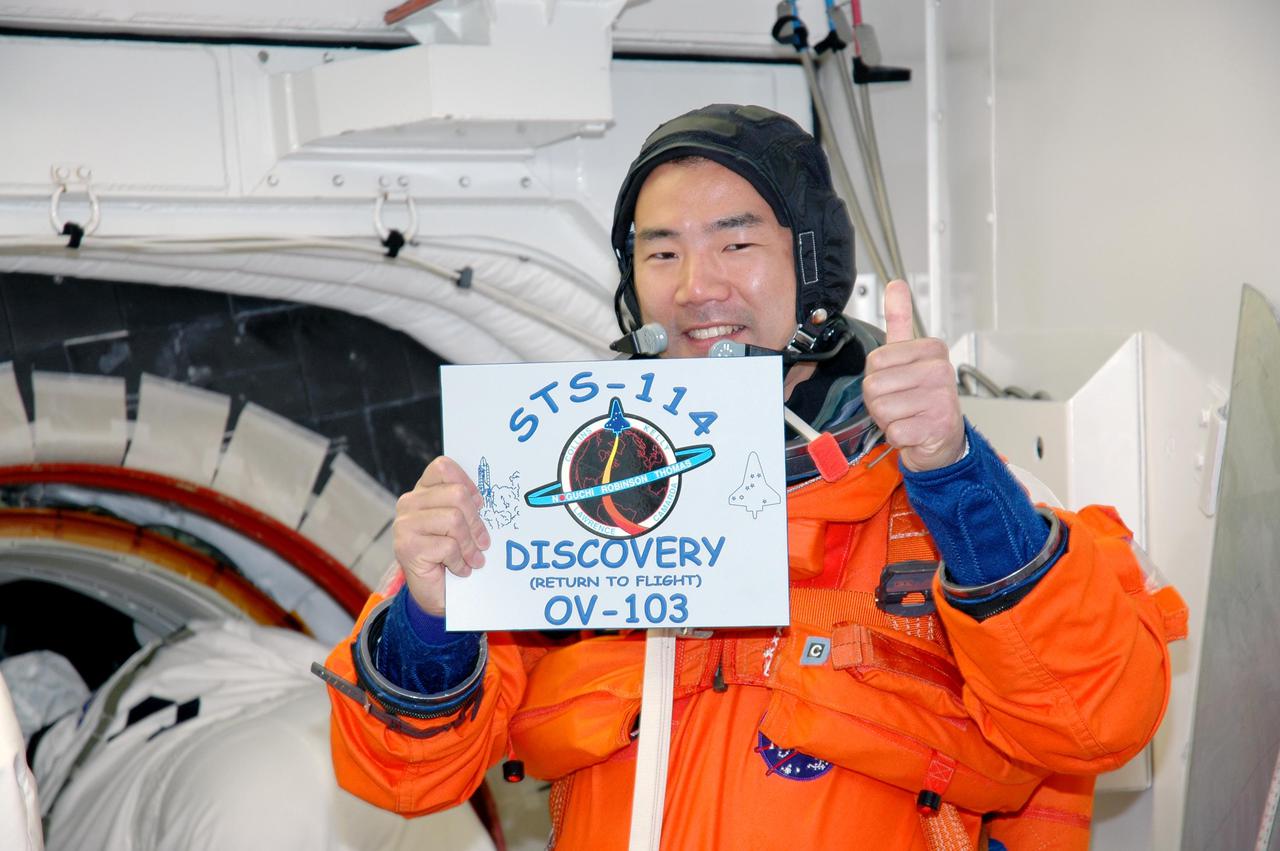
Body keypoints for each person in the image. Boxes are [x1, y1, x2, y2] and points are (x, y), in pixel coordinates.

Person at [321, 104, 1186, 850]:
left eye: (736, 242)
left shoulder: (961, 504)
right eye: (662, 254)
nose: (697, 287)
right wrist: (431, 616)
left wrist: (952, 471)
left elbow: (1097, 718)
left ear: (814, 265)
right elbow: (402, 773)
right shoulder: (557, 501)